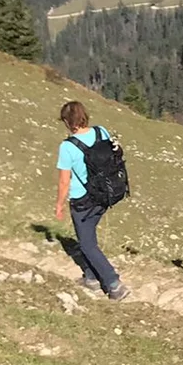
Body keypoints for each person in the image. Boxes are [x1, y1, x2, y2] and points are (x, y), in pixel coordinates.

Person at [55, 101, 128, 301]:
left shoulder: (67, 147)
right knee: (88, 237)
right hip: (105, 195)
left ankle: (114, 284)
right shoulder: (100, 131)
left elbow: (64, 181)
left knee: (87, 244)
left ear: (67, 122)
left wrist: (59, 204)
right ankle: (91, 276)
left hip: (82, 201)